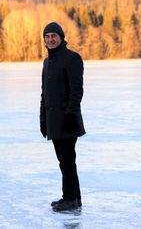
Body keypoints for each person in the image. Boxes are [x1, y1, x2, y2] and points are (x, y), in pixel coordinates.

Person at [40, 22, 86, 212]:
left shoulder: (72, 58)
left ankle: (70, 199)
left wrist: (71, 114)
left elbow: (77, 90)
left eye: (54, 36)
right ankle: (73, 198)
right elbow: (45, 94)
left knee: (67, 160)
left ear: (61, 37)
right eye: (47, 36)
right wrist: (43, 119)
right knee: (64, 161)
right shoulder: (47, 62)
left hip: (67, 120)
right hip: (54, 121)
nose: (50, 40)